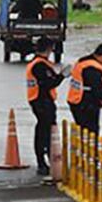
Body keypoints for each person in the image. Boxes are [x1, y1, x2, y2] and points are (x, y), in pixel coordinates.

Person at [26, 36, 68, 176]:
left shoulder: (39, 63)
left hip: (39, 100)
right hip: (42, 101)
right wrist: (62, 76)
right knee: (45, 131)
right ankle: (43, 162)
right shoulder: (39, 65)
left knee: (44, 130)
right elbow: (49, 83)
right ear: (49, 49)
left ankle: (48, 161)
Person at [67, 41, 102, 135]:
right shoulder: (92, 68)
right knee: (90, 134)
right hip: (86, 104)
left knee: (83, 132)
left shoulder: (83, 61)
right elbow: (98, 90)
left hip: (76, 101)